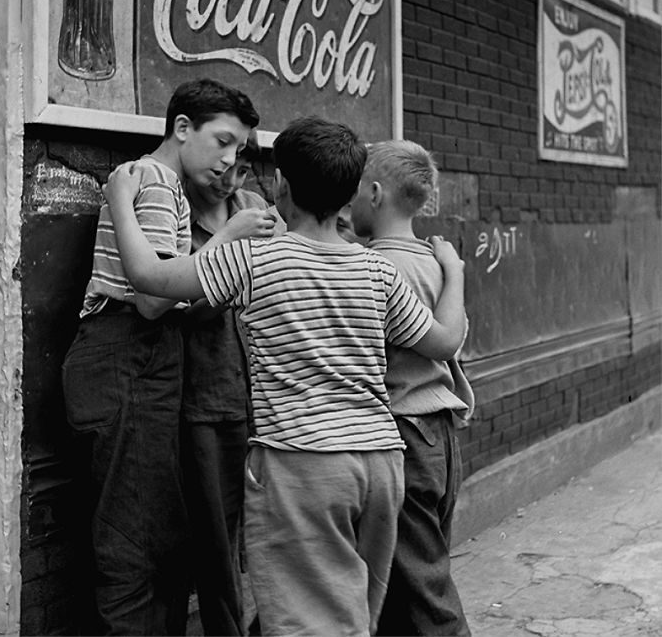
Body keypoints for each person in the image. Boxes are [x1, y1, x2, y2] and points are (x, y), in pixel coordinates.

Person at [102, 115, 466, 637]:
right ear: (349, 196)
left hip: (303, 463)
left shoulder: (256, 258)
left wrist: (119, 200)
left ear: (281, 186)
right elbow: (445, 341)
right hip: (383, 467)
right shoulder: (376, 270)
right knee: (351, 618)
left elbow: (148, 279)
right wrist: (453, 274)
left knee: (306, 625)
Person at [61, 79, 276, 636]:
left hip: (133, 358)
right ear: (182, 128)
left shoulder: (160, 184)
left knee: (151, 533)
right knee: (136, 543)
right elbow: (156, 298)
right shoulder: (156, 181)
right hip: (128, 351)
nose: (230, 160)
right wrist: (228, 236)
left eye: (239, 150)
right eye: (222, 141)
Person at [350, 139, 474, 637]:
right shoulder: (434, 262)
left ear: (375, 193)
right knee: (408, 581)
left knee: (424, 594)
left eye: (355, 189)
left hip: (403, 438)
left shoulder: (373, 269)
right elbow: (456, 338)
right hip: (440, 436)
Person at [181, 133, 284, 636]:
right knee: (217, 541)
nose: (230, 181)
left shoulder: (255, 207)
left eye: (242, 170)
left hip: (269, 400)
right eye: (223, 170)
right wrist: (232, 274)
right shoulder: (181, 213)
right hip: (210, 397)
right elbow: (179, 310)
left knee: (273, 531)